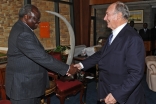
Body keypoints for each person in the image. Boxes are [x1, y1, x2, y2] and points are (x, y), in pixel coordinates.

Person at [74, 1, 145, 104]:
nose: (104, 18)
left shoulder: (133, 38)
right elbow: (102, 54)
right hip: (107, 88)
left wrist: (117, 94)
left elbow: (136, 73)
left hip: (123, 95)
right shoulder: (114, 35)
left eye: (107, 14)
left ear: (119, 15)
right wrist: (81, 65)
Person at [5, 4, 78, 104]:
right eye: (36, 19)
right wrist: (67, 69)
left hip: (28, 86)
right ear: (26, 17)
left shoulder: (21, 28)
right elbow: (41, 57)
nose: (38, 22)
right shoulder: (23, 33)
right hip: (23, 88)